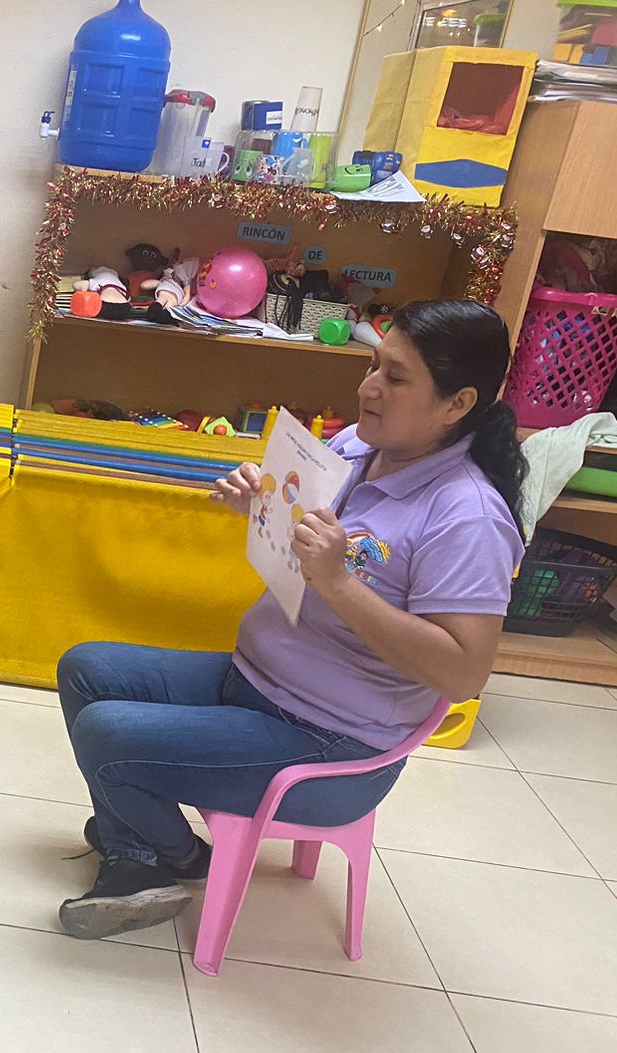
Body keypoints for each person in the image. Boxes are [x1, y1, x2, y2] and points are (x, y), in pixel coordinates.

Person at [57, 299, 528, 938]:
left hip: (330, 739)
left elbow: (464, 673)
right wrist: (258, 504)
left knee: (107, 734)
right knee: (85, 669)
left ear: (457, 404)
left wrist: (338, 584)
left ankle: (168, 853)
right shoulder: (358, 445)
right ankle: (144, 854)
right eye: (373, 365)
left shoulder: (468, 516)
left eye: (395, 377)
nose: (368, 387)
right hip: (255, 681)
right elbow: (299, 544)